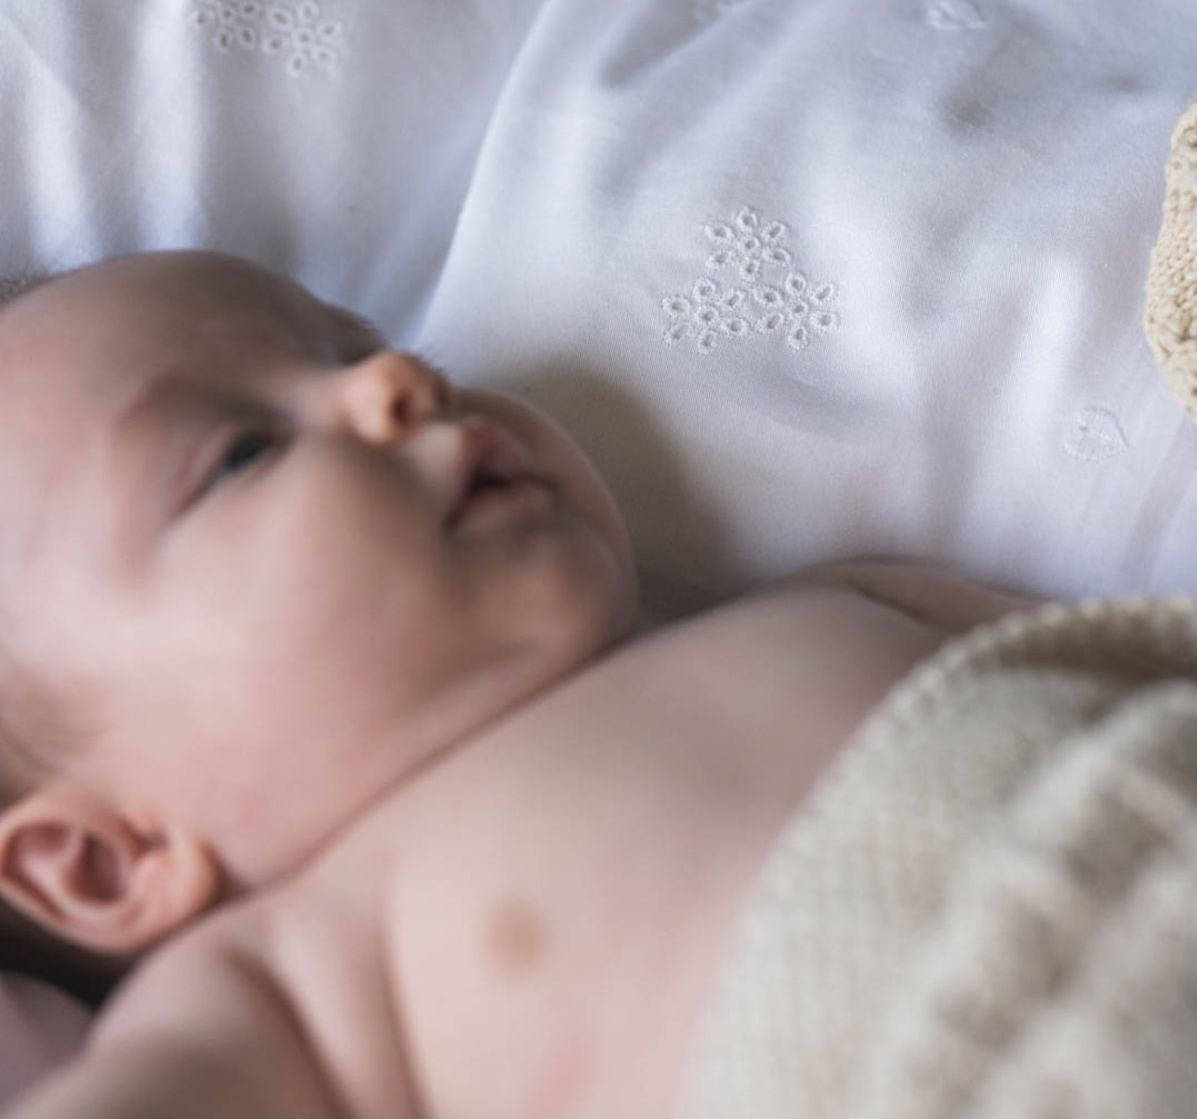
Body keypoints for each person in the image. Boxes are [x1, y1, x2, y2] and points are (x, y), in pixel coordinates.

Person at [0, 250, 1041, 1117]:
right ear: (105, 862)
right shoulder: (284, 987)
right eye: (242, 454)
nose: (395, 380)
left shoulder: (834, 607)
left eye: (354, 347)